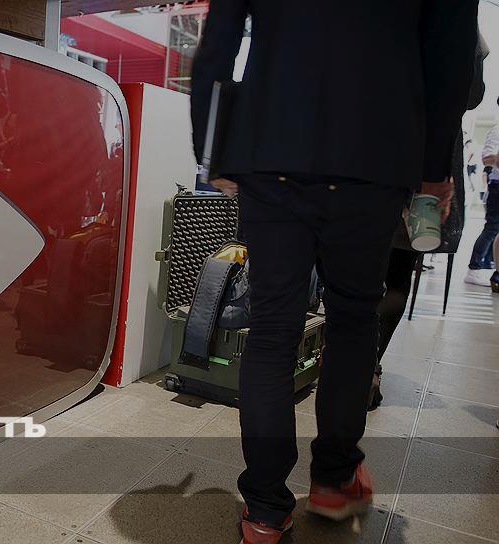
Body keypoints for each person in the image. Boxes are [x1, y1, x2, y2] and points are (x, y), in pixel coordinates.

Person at [190, 2, 478, 542]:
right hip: (374, 156)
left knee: (272, 329)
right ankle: (334, 481)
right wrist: (433, 169)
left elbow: (218, 41)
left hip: (270, 149)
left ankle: (264, 512)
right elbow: (451, 56)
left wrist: (212, 151)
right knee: (352, 321)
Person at [371, 31, 488, 411]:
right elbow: (471, 96)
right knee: (399, 269)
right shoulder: (461, 28)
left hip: (370, 149)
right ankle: (367, 369)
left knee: (352, 265)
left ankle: (348, 361)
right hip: (429, 162)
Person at [468, 115, 499, 286]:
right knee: (492, 228)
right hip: (497, 185)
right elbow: (486, 158)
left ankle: (490, 267)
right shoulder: (497, 130)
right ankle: (474, 268)